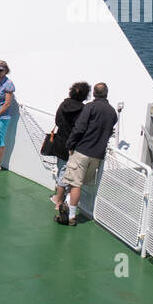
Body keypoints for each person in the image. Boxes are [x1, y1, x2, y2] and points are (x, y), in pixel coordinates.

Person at [58, 82, 118, 226]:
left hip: (82, 151)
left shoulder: (90, 107)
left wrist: (70, 144)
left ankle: (71, 216)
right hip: (97, 154)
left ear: (94, 94)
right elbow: (109, 130)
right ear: (106, 94)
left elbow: (80, 127)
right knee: (81, 183)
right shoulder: (112, 112)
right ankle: (66, 205)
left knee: (74, 184)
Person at [51, 82, 90, 216]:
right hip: (74, 145)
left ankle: (58, 198)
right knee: (69, 174)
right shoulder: (84, 110)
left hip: (61, 142)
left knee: (61, 170)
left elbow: (57, 121)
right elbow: (82, 128)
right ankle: (60, 201)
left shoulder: (64, 104)